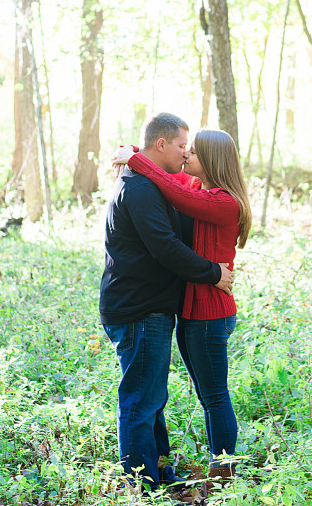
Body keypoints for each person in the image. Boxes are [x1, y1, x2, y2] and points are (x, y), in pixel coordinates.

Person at [111, 128, 252, 496]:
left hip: (210, 312)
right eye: (183, 147)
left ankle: (223, 476)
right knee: (201, 396)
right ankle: (161, 476)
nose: (186, 154)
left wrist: (137, 159)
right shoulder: (199, 189)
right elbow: (169, 172)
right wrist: (133, 149)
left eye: (194, 150)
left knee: (215, 397)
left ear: (213, 160)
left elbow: (169, 185)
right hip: (192, 311)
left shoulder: (224, 201)